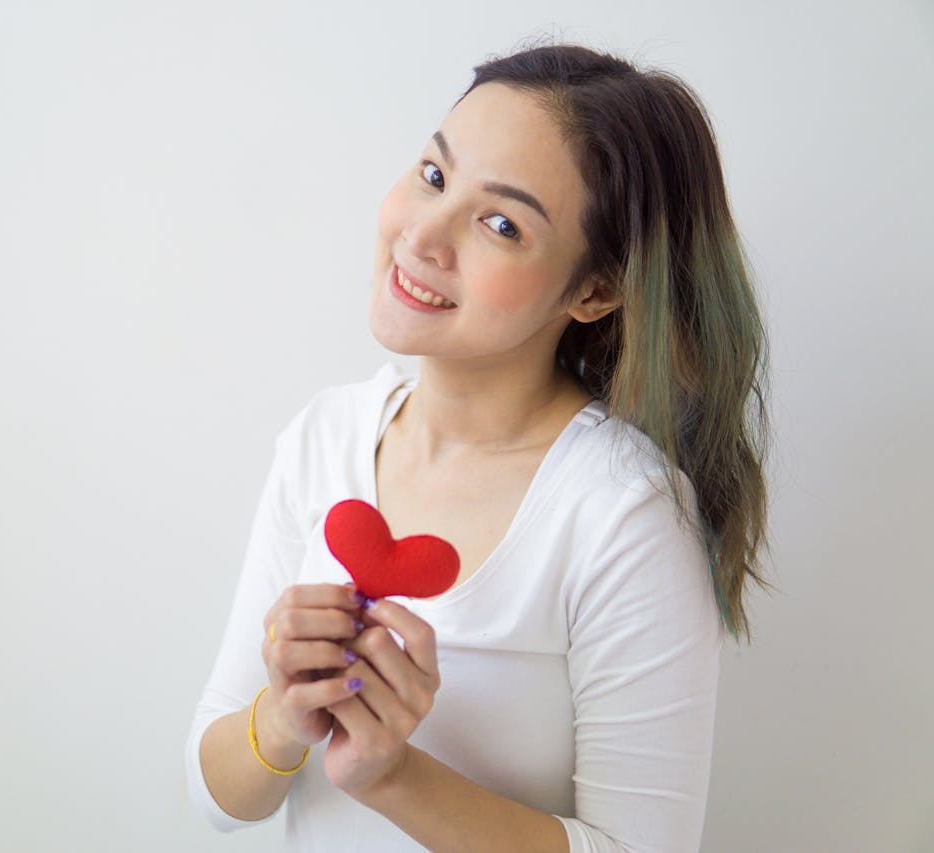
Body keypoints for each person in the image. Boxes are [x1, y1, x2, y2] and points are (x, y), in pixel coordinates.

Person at [184, 40, 773, 853]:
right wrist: (282, 718)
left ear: (594, 290)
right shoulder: (324, 437)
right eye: (434, 175)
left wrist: (393, 777)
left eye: (501, 223)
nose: (424, 234)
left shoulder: (622, 514)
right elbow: (216, 796)